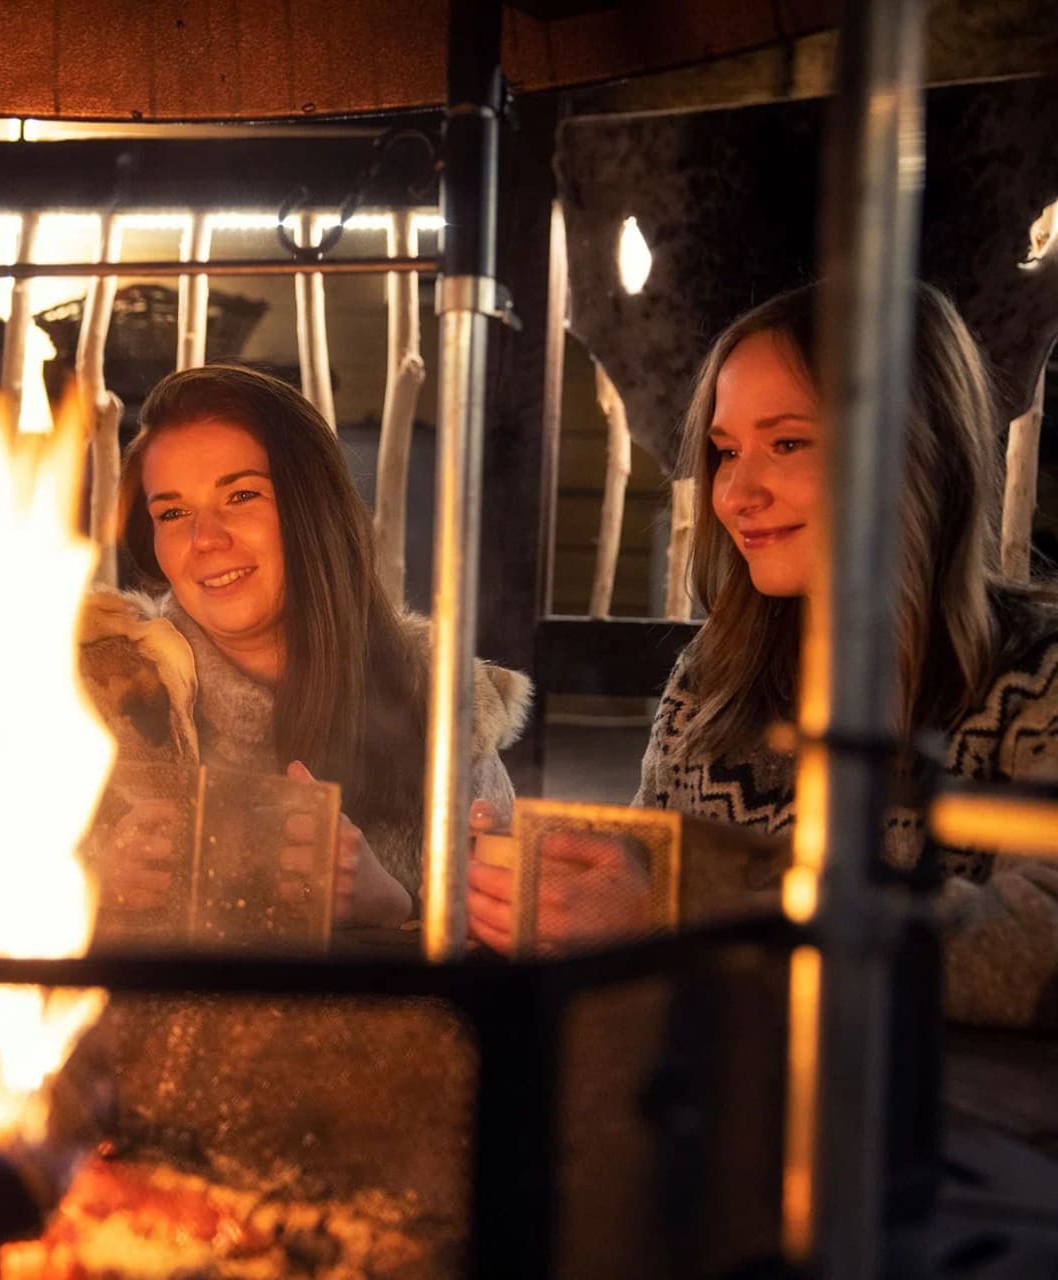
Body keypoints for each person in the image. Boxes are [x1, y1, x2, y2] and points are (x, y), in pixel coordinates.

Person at [468, 283, 1058, 1028]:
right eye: (724, 452)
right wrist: (550, 882)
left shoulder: (1037, 681)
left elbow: (1040, 945)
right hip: (713, 1112)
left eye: (787, 442)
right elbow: (649, 866)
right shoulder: (717, 675)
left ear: (916, 450)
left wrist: (679, 908)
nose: (736, 493)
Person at [81, 364, 532, 929]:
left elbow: (503, 956)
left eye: (241, 495)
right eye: (172, 513)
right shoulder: (104, 692)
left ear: (312, 511)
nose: (205, 540)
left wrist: (393, 908)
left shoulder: (433, 700)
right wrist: (90, 886)